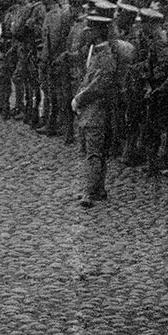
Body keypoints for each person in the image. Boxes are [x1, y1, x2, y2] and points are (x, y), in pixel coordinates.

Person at [73, 14, 117, 208]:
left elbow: (98, 86)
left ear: (99, 32)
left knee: (94, 153)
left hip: (97, 111)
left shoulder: (105, 57)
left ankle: (89, 192)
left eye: (91, 29)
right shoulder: (98, 53)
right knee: (94, 151)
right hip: (92, 111)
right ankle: (97, 188)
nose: (87, 32)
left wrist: (79, 99)